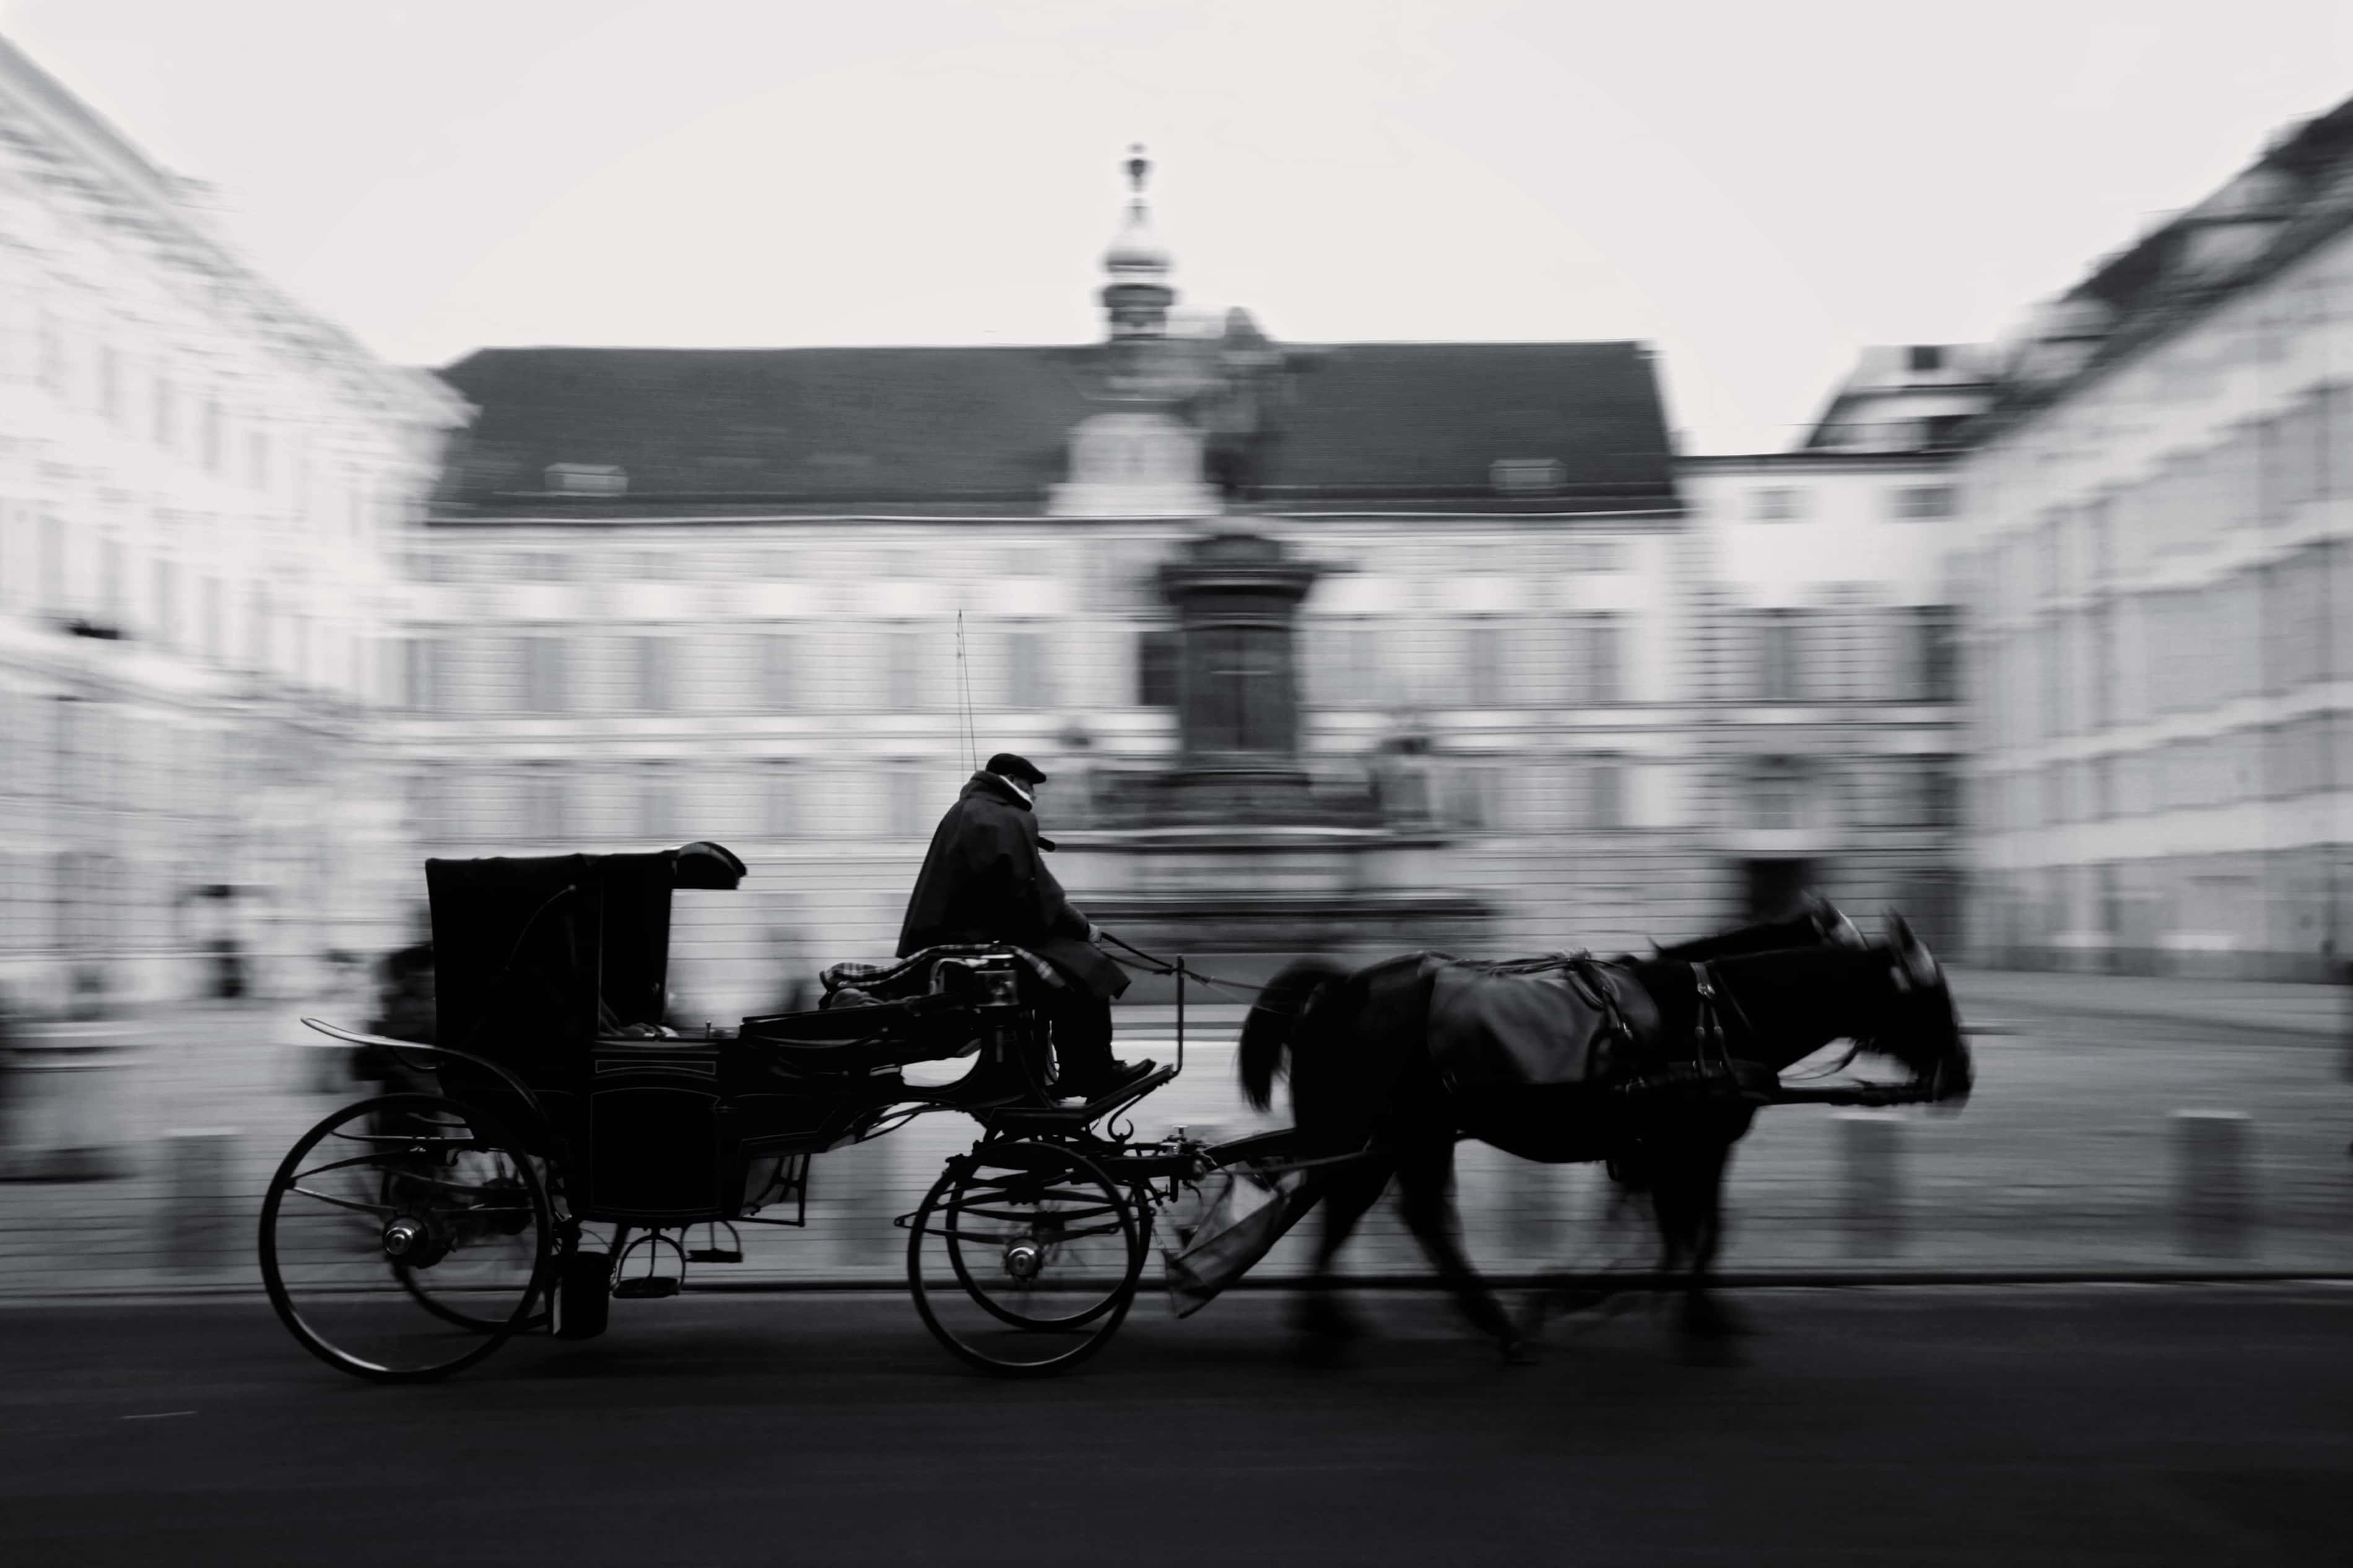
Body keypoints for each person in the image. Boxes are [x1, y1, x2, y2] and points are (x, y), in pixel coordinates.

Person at [898, 752, 1155, 1100]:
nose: (1034, 795)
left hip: (955, 937)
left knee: (1070, 962)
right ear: (1012, 781)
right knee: (1084, 965)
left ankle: (1075, 1070)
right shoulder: (1001, 817)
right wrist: (1083, 928)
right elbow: (1034, 891)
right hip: (971, 942)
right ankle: (1092, 1071)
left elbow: (1017, 891)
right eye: (1031, 786)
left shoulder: (973, 812)